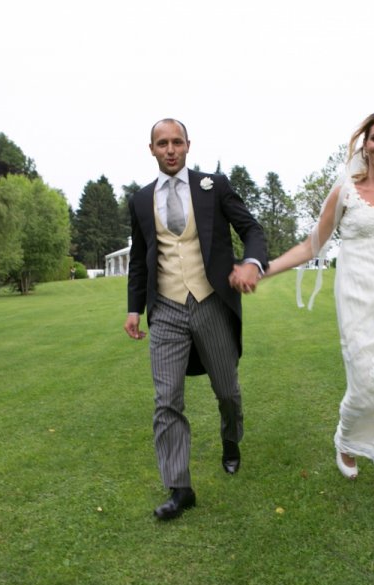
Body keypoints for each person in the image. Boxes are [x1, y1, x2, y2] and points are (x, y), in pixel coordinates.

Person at [261, 112, 374, 532]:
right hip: (361, 302)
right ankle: (346, 439)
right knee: (368, 388)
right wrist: (264, 269)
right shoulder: (345, 192)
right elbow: (313, 246)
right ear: (364, 144)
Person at [124, 118, 268, 521]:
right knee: (166, 400)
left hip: (210, 302)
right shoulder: (139, 200)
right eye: (162, 143)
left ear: (188, 145)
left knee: (227, 390)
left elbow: (250, 228)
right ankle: (179, 487)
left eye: (176, 142)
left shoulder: (213, 186)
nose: (170, 149)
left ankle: (231, 440)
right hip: (166, 309)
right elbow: (139, 259)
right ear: (151, 149)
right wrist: (134, 308)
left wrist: (252, 262)